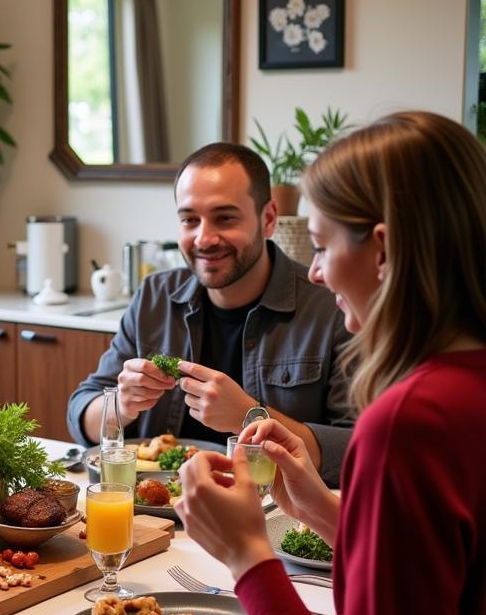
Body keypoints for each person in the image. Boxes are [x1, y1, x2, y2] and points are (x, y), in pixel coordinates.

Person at [149, 112, 486, 615]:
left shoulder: (411, 421)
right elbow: (452, 583)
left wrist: (248, 560)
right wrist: (332, 513)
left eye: (326, 243)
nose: (314, 270)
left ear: (386, 250)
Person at [66, 142, 353, 485]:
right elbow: (80, 413)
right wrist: (120, 407)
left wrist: (249, 415)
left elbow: (356, 449)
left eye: (225, 218)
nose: (204, 238)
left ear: (269, 219)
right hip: (158, 511)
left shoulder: (331, 305)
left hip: (275, 514)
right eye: (190, 220)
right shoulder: (156, 296)